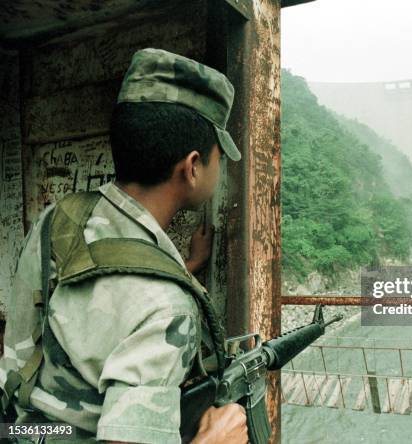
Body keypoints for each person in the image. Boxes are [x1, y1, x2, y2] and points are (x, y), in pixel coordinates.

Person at [0, 48, 248, 444]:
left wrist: (186, 267)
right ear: (194, 165)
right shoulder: (168, 308)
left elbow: (89, 297)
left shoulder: (60, 216)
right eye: (219, 157)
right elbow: (140, 303)